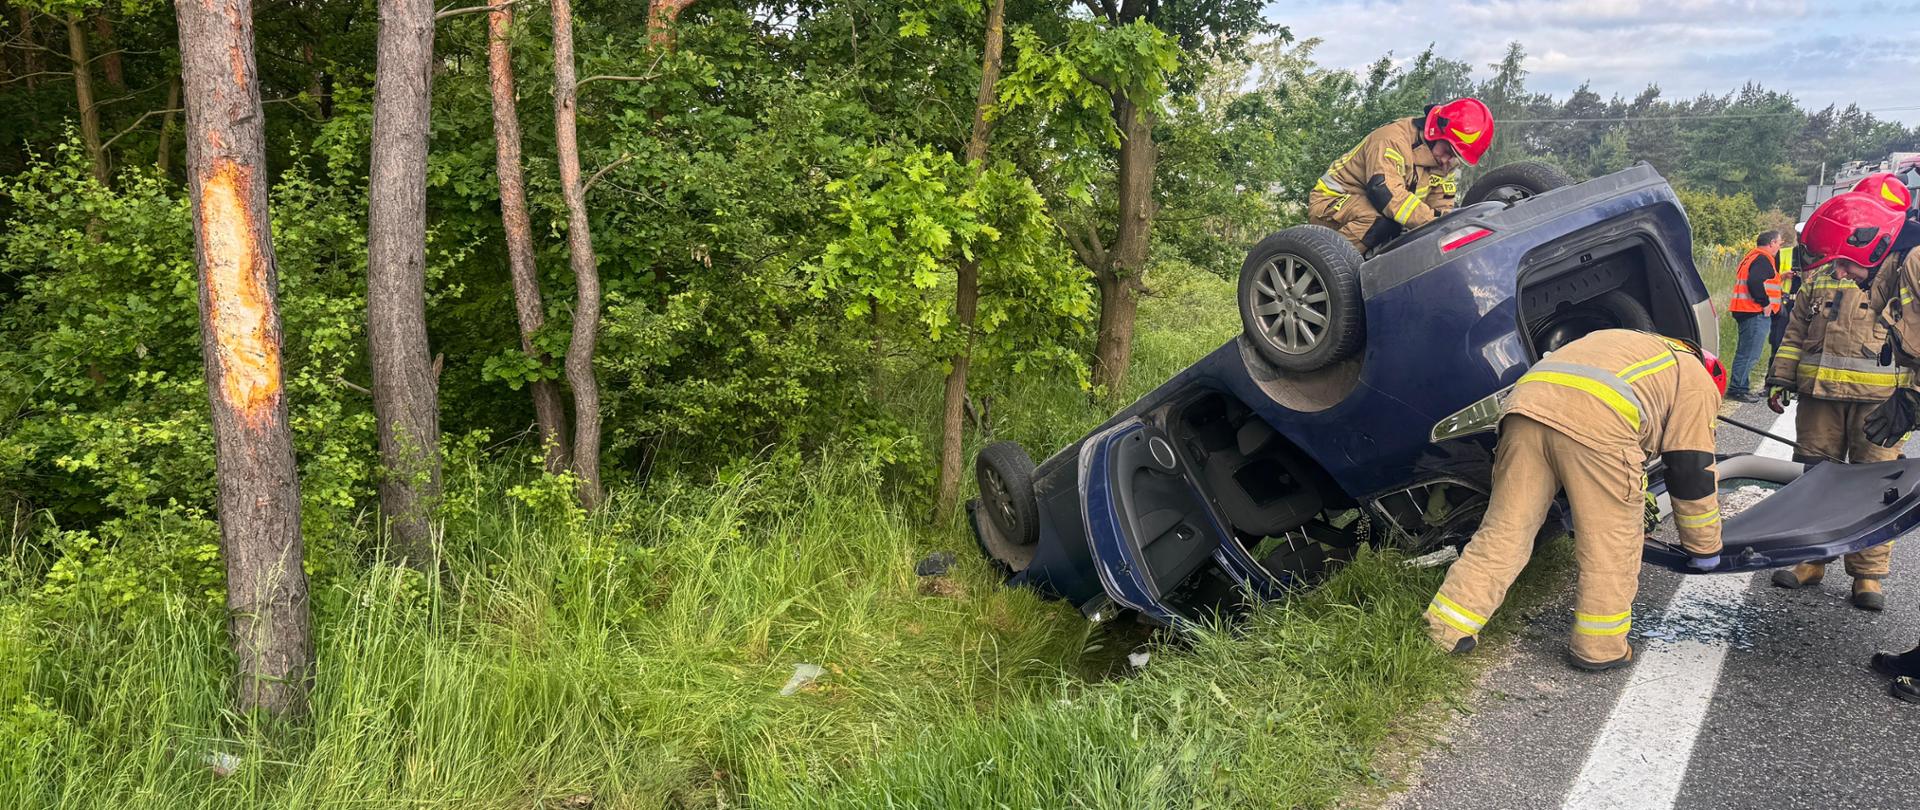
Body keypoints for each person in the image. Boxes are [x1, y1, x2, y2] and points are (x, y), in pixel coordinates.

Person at [1425, 329, 1727, 671]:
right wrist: (1704, 547)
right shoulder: (1696, 379)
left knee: (1506, 529)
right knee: (1610, 542)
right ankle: (1599, 648)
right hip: (1599, 419)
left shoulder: (1633, 344)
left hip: (1524, 409)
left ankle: (1445, 629)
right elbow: (1690, 468)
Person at [1763, 195, 1911, 609]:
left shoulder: (1901, 276)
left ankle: (1867, 575)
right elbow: (1796, 330)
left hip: (1879, 405)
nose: (1841, 266)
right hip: (1820, 398)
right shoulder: (1821, 276)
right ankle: (1810, 559)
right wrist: (1781, 377)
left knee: (1876, 488)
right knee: (1813, 480)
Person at [1308, 97, 1493, 253]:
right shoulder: (1392, 139)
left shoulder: (1444, 162)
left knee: (1412, 236)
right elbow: (1385, 194)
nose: (1448, 160)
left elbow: (1441, 210)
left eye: (1455, 156)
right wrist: (1434, 223)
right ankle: (1327, 268)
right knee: (1380, 222)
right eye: (1448, 151)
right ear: (1435, 132)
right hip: (1331, 202)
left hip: (1375, 208)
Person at [1725, 230, 1784, 402]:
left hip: (1745, 309)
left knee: (1745, 352)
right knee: (1750, 354)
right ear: (1771, 243)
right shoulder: (1763, 259)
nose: (1779, 247)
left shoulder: (1752, 257)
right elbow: (1755, 281)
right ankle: (1738, 389)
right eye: (1779, 243)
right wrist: (1765, 303)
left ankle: (1739, 386)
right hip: (1754, 311)